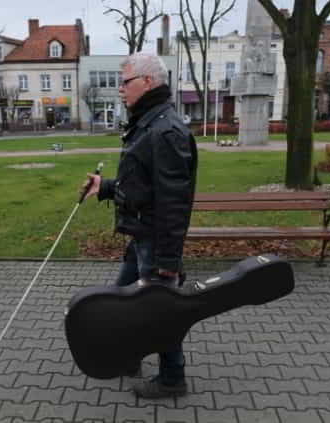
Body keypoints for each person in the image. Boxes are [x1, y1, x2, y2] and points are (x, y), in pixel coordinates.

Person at [81, 52, 198, 398]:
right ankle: (130, 355)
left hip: (155, 242)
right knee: (121, 298)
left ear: (148, 82)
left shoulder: (165, 131)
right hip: (140, 235)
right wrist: (104, 187)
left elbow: (174, 203)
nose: (120, 89)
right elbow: (142, 184)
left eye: (125, 82)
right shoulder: (149, 122)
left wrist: (167, 264)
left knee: (159, 310)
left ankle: (172, 378)